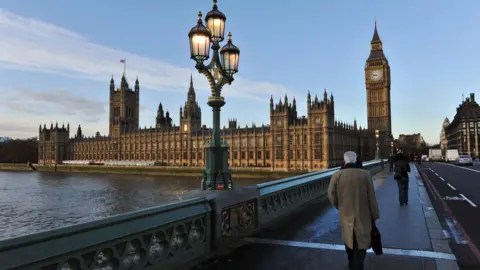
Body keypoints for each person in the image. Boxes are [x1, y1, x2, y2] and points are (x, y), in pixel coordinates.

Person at [328, 151, 380, 270]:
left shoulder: (337, 175)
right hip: (363, 214)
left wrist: (340, 206)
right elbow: (371, 197)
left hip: (345, 214)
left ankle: (352, 262)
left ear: (345, 161)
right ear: (356, 160)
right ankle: (357, 264)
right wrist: (375, 214)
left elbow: (331, 195)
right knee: (361, 242)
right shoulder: (365, 174)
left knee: (349, 239)